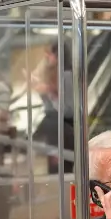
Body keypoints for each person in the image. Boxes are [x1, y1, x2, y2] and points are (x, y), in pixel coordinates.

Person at [31, 41, 74, 174]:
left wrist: (50, 92)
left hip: (64, 132)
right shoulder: (53, 75)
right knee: (54, 171)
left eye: (49, 54)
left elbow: (68, 111)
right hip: (54, 131)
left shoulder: (66, 76)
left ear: (58, 56)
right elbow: (49, 107)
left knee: (62, 172)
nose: (46, 57)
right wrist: (42, 91)